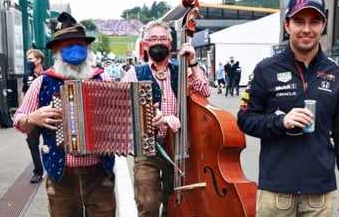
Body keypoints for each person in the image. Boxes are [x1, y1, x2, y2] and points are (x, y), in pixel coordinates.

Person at [237, 0, 339, 217]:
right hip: (275, 191)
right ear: (287, 24)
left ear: (324, 25)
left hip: (319, 194)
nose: (306, 29)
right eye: (299, 21)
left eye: (314, 21)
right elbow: (245, 119)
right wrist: (281, 121)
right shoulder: (265, 69)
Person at [13, 12, 116, 216]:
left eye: (80, 45)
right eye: (68, 46)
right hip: (61, 176)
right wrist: (31, 118)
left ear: (88, 49)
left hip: (99, 173)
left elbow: (125, 117)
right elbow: (18, 120)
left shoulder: (102, 79)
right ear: (56, 50)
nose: (75, 51)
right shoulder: (43, 82)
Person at [122, 20, 211, 217]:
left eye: (163, 38)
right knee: (148, 204)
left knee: (174, 204)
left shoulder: (183, 70)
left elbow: (205, 91)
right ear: (145, 44)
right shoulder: (134, 73)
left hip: (178, 147)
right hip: (147, 149)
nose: (158, 43)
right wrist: (154, 117)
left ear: (171, 44)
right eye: (153, 39)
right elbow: (124, 110)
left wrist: (194, 62)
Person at [20, 49, 45, 183]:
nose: (28, 62)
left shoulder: (48, 74)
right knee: (32, 142)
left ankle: (56, 168)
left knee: (54, 143)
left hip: (48, 116)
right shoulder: (27, 76)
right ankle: (38, 171)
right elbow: (23, 93)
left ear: (39, 60)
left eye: (31, 59)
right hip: (33, 117)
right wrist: (23, 112)